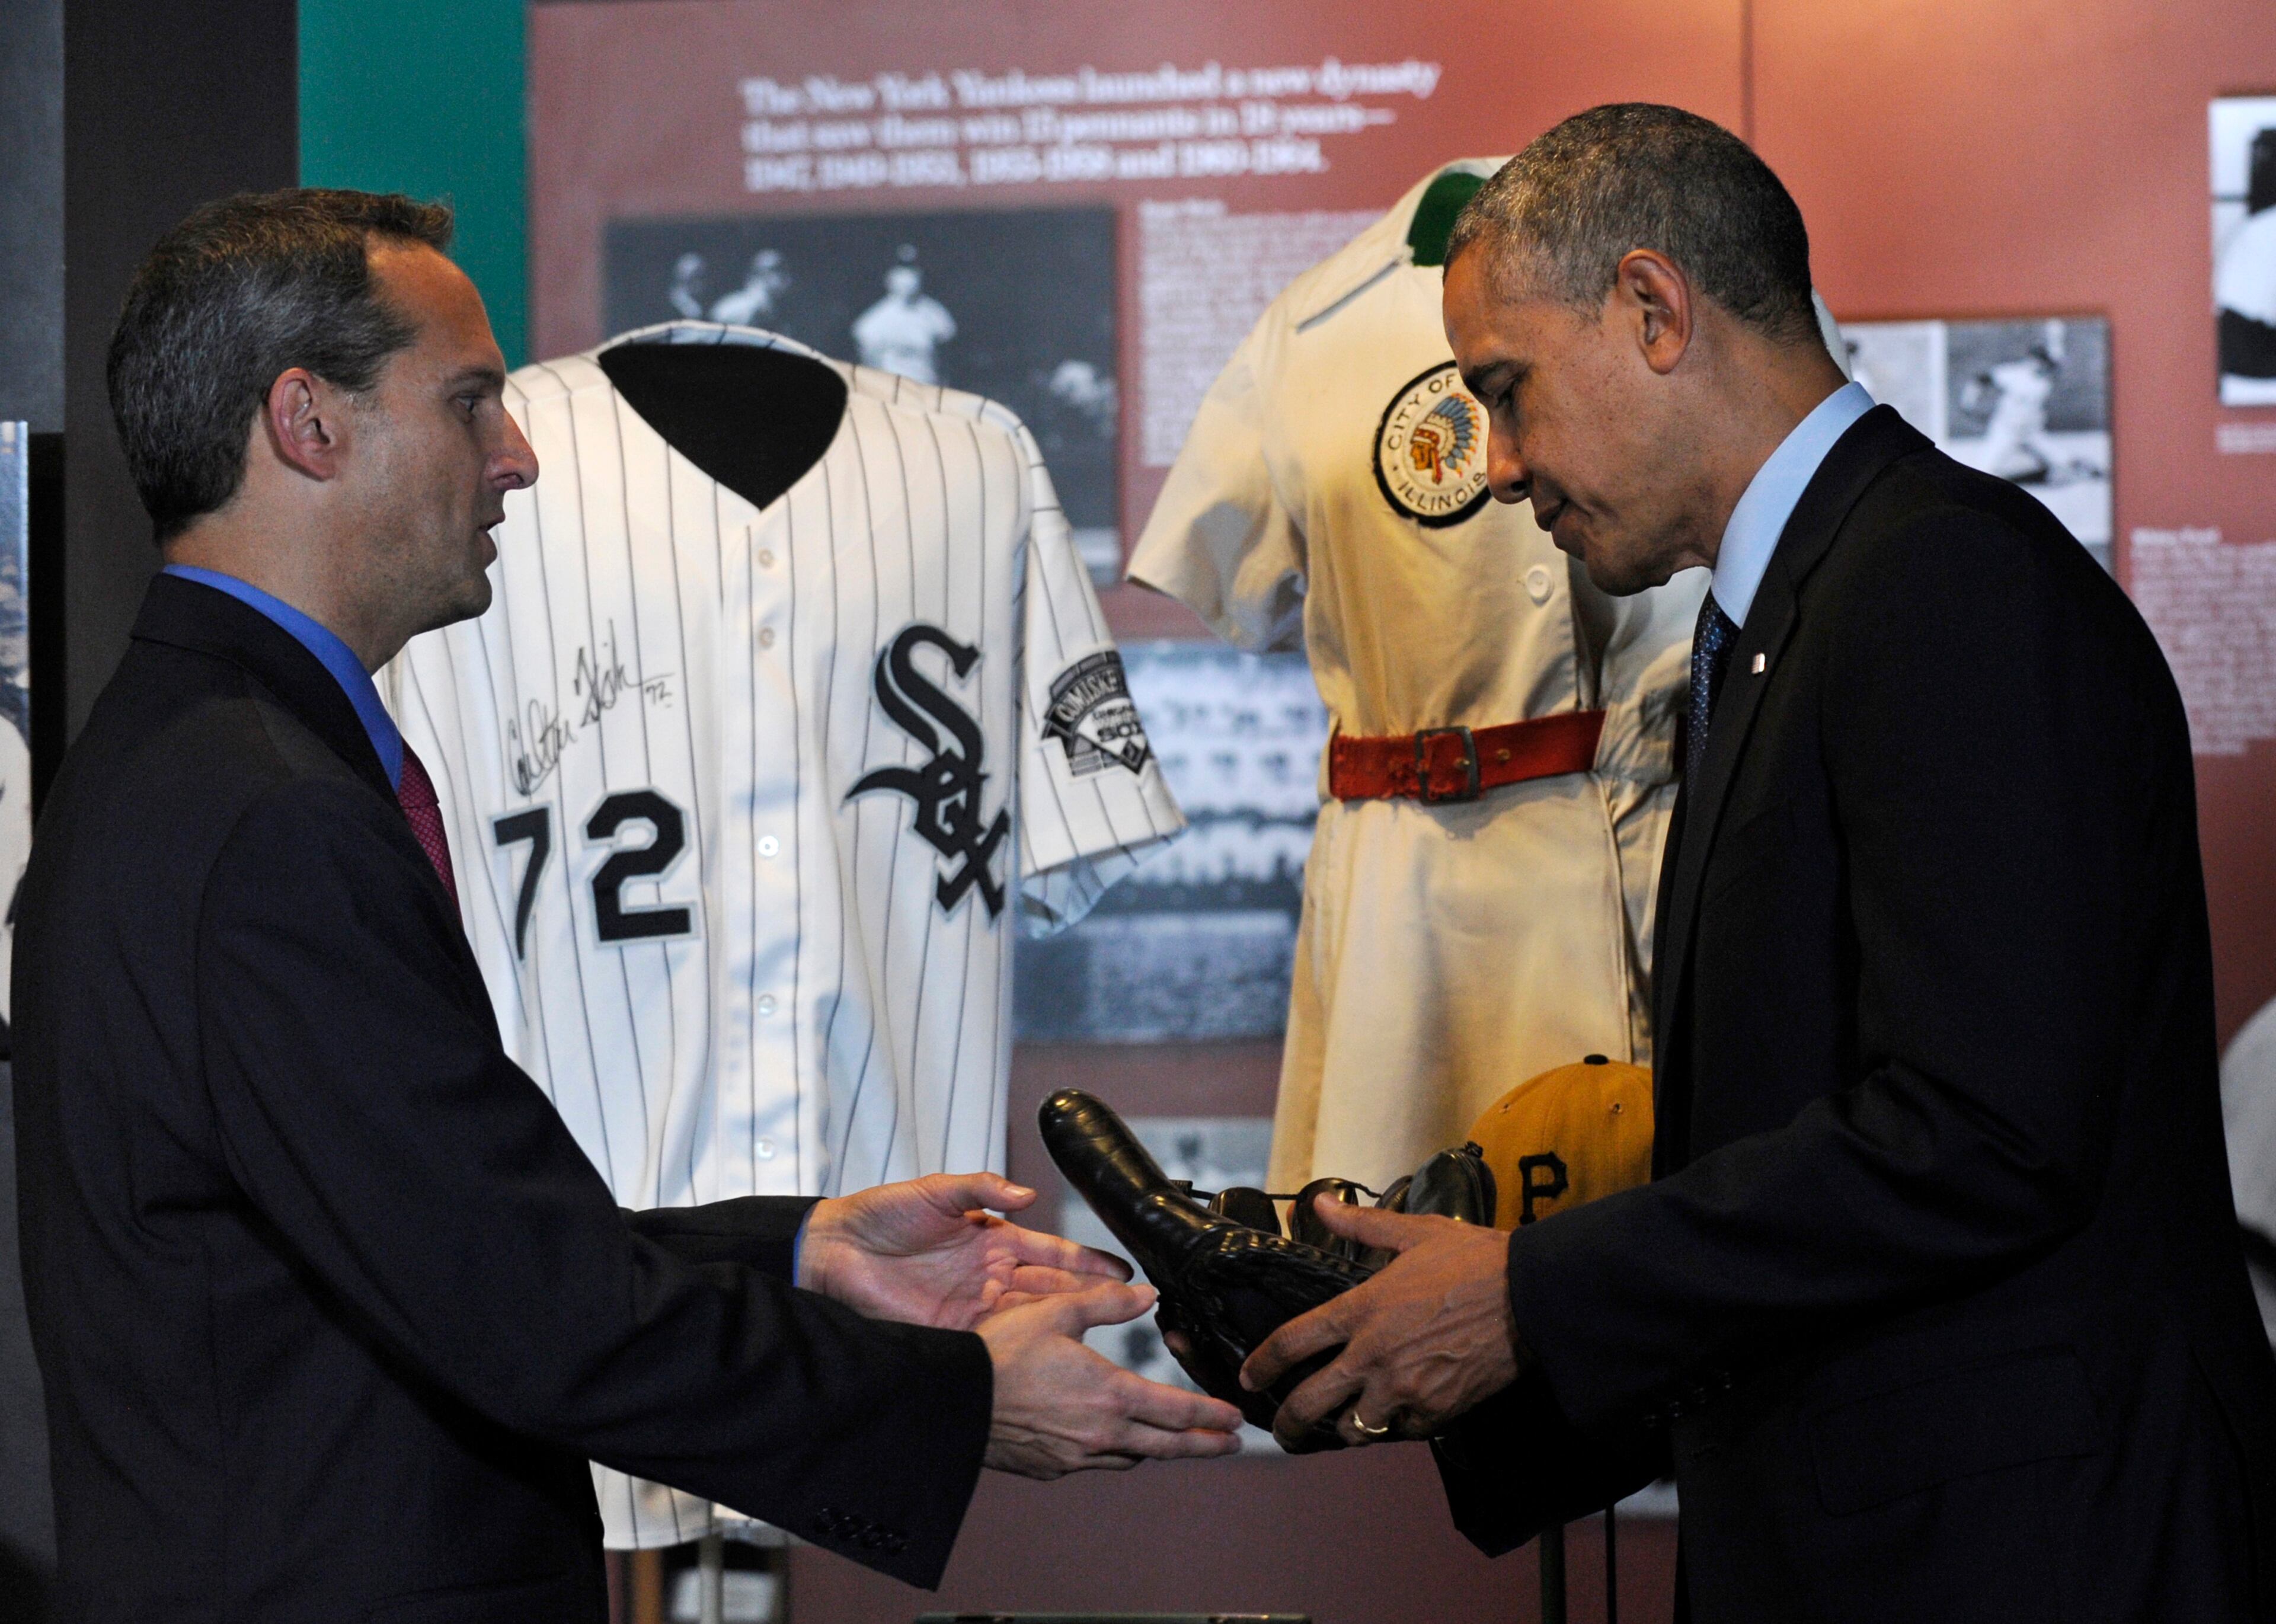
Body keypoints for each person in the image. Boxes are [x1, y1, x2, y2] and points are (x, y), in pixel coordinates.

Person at [11, 189, 1240, 1624]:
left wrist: (801, 1249)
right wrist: (959, 1398)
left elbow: (432, 1232)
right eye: (471, 403)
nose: (517, 456)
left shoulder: (187, 750)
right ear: (310, 423)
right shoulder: (267, 809)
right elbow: (526, 1307)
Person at [1242, 106, 2276, 1621]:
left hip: (2035, 1557)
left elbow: (1982, 1134)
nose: (1507, 465)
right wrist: (1443, 1333)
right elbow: (1818, 1151)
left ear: (1655, 311)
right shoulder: (1783, 621)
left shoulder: (1943, 583)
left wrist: (1532, 1297)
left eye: (1509, 393)